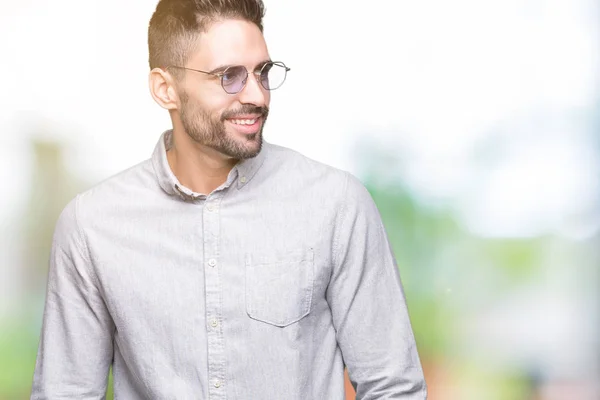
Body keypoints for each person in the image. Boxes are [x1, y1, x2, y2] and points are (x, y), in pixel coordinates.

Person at [30, 0, 427, 398]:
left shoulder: (336, 205)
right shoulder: (92, 226)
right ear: (165, 88)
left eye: (263, 72)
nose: (257, 95)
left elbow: (393, 387)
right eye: (229, 76)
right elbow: (65, 392)